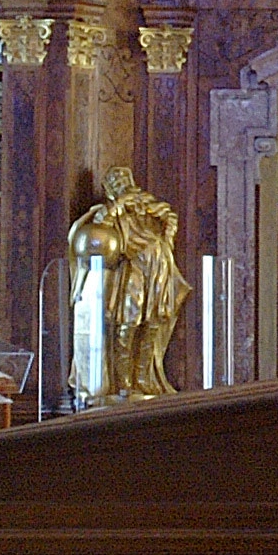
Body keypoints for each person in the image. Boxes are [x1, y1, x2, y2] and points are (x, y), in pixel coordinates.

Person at [67, 168, 188, 400]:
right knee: (128, 322)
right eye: (116, 182)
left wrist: (167, 238)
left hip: (158, 264)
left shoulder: (149, 205)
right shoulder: (108, 211)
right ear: (110, 190)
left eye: (124, 179)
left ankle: (142, 378)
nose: (122, 184)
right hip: (132, 267)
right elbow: (99, 230)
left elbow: (170, 218)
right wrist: (119, 206)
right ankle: (123, 381)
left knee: (153, 322)